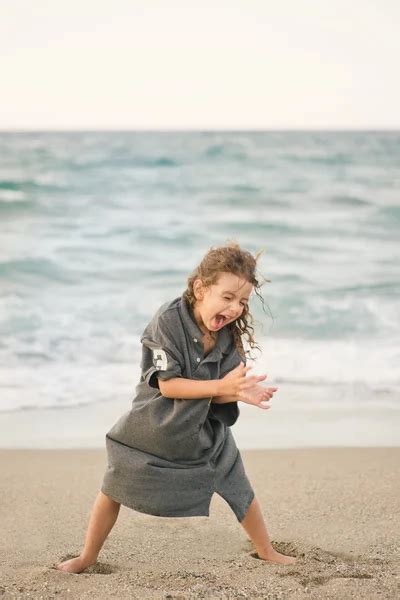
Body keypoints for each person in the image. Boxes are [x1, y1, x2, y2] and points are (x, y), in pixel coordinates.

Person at [56, 241, 296, 574]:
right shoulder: (168, 322)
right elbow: (168, 385)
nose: (235, 308)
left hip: (202, 429)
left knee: (238, 482)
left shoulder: (227, 335)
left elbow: (217, 393)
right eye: (227, 297)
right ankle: (87, 557)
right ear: (200, 288)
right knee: (114, 485)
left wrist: (238, 393)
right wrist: (222, 388)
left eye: (242, 302)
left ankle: (266, 549)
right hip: (153, 427)